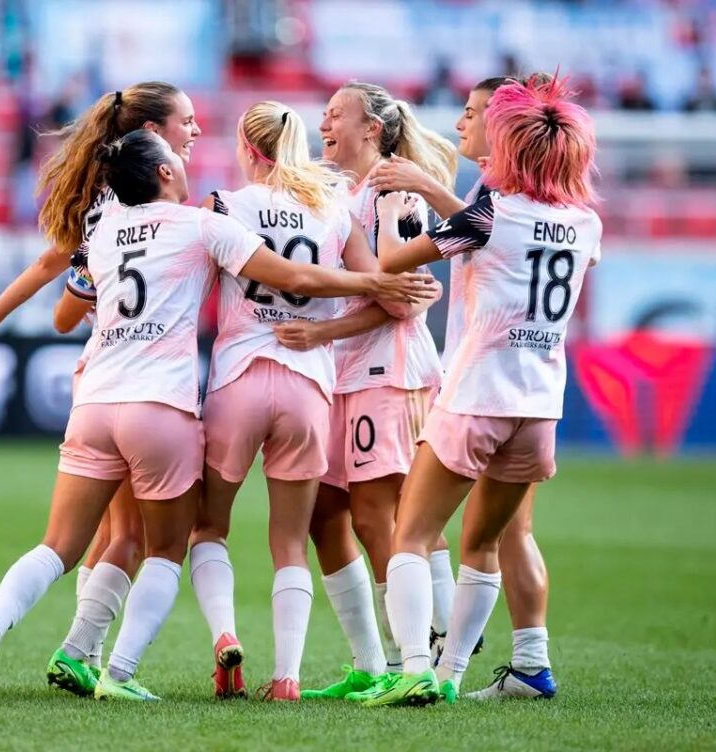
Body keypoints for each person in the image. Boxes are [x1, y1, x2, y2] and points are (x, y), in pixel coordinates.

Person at [0, 127, 436, 702]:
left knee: (59, 546)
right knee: (166, 549)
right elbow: (295, 276)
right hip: (162, 408)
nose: (187, 158)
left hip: (95, 400)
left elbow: (64, 308)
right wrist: (374, 279)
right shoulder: (201, 225)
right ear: (163, 172)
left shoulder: (100, 232)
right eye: (177, 155)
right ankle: (119, 674)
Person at [0, 82, 203, 698]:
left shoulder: (99, 207)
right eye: (186, 121)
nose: (194, 131)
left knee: (79, 540)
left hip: (98, 381)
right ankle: (86, 655)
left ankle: (1, 641)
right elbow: (64, 307)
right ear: (154, 133)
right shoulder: (161, 208)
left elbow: (54, 290)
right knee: (131, 538)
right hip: (145, 387)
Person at [358, 74, 602, 707]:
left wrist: (395, 207)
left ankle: (416, 667)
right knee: (489, 542)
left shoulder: (491, 213)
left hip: (475, 395)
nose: (468, 123)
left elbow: (393, 262)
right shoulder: (585, 222)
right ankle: (454, 675)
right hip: (539, 407)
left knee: (410, 534)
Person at [187, 101, 431, 702]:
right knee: (292, 542)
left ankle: (225, 635)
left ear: (248, 148)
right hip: (308, 386)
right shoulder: (333, 208)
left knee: (209, 526)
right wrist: (348, 315)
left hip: (239, 376)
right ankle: (288, 678)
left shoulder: (224, 205)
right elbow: (391, 296)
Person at [271, 82, 458, 701]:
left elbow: (402, 302)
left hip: (389, 371)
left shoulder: (394, 192)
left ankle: (422, 661)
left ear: (371, 129)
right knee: (323, 514)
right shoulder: (339, 193)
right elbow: (389, 288)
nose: (323, 125)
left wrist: (322, 330)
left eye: (335, 115)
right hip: (342, 373)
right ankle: (372, 664)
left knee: (382, 514)